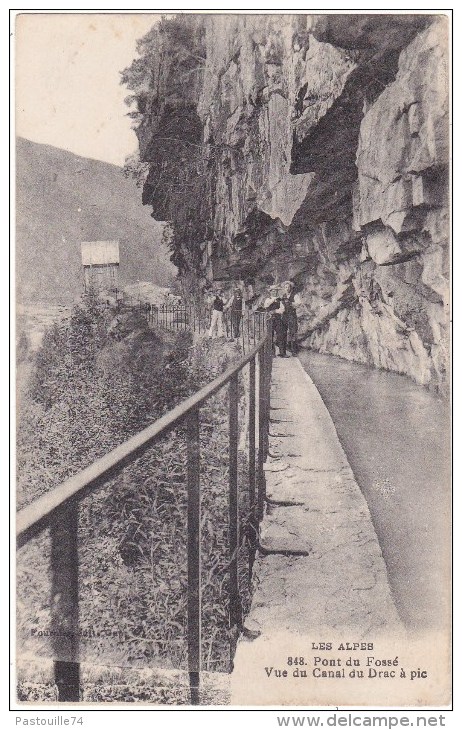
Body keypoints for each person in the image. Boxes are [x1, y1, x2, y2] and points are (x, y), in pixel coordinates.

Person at [262, 284, 287, 356]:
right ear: (270, 292)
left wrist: (275, 311)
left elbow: (282, 310)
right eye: (273, 291)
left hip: (278, 319)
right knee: (270, 335)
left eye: (276, 291)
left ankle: (282, 353)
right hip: (270, 319)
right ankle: (271, 353)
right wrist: (273, 299)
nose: (274, 292)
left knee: (281, 335)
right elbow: (266, 305)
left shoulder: (280, 300)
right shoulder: (268, 299)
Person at [282, 281, 302, 354]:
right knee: (284, 332)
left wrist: (290, 303)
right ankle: (285, 349)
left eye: (288, 287)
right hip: (284, 315)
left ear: (291, 288)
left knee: (293, 332)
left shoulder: (295, 295)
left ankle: (294, 350)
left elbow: (299, 303)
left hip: (292, 315)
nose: (287, 289)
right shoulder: (283, 296)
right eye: (286, 287)